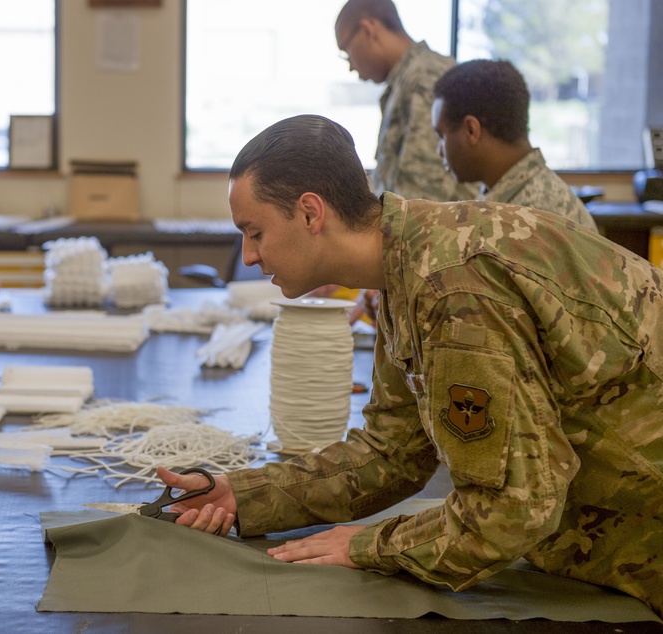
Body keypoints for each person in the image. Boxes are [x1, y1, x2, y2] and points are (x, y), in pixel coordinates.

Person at [159, 114, 663, 616]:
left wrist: (371, 547)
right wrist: (245, 496)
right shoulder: (409, 263)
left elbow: (513, 509)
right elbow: (391, 452)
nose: (248, 256)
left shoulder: (451, 284)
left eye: (255, 232)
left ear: (311, 213)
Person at [335, 0, 477, 202]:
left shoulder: (426, 76)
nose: (351, 67)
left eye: (347, 52)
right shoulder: (406, 79)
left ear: (368, 29)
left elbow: (424, 193)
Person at [432, 59, 597, 231]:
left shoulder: (530, 217)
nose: (439, 151)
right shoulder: (513, 197)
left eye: (441, 136)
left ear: (471, 130)